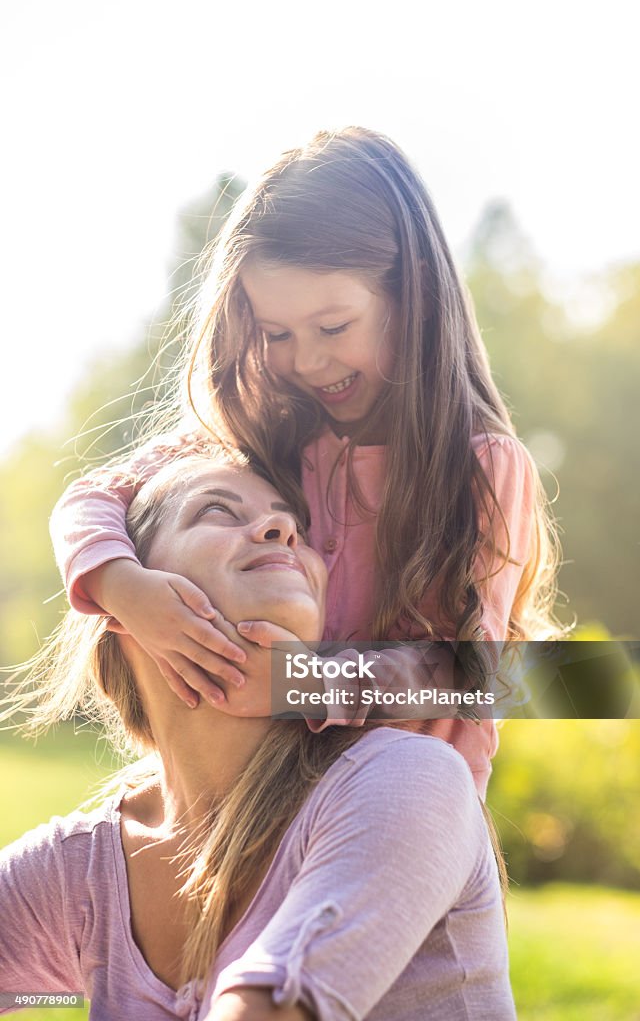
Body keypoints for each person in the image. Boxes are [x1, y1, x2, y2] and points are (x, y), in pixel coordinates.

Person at [49, 126, 563, 798]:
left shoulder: (477, 468)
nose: (308, 362)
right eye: (276, 334)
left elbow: (461, 672)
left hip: (403, 813)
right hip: (268, 806)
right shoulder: (268, 427)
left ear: (411, 299)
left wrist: (297, 681)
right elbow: (93, 496)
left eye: (332, 328)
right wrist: (121, 586)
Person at [0, 455, 516, 1020]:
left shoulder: (407, 780)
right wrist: (59, 993)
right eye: (217, 511)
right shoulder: (80, 870)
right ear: (121, 613)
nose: (284, 529)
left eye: (295, 523)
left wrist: (305, 681)